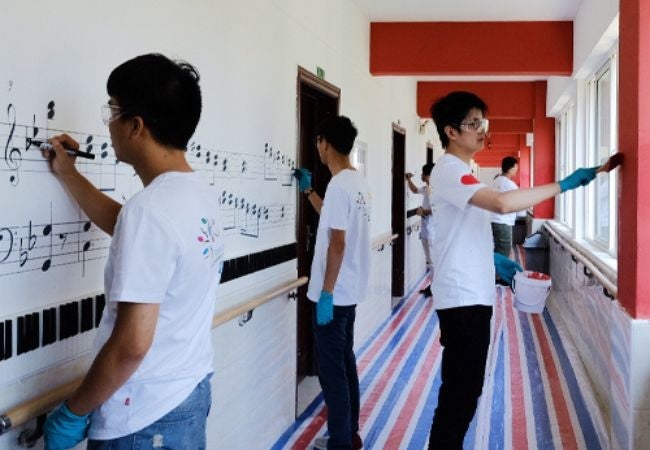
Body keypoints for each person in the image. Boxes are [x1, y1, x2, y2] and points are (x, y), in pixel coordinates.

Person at [42, 54, 224, 450]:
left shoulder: (152, 210)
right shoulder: (196, 195)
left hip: (142, 419)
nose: (108, 123)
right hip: (187, 397)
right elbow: (129, 227)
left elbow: (131, 345)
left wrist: (74, 410)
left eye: (113, 110)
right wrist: (70, 174)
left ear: (136, 126)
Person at [427, 91, 597, 449]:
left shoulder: (462, 172)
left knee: (465, 388)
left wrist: (491, 259)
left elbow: (462, 231)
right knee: (460, 391)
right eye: (473, 124)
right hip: (461, 298)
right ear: (451, 131)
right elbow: (503, 203)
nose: (482, 131)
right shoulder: (448, 169)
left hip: (471, 292)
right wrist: (563, 185)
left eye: (483, 123)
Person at [293, 115, 370, 450]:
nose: (318, 149)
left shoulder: (340, 186)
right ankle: (349, 430)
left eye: (318, 143)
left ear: (325, 142)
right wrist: (308, 191)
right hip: (349, 292)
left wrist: (325, 294)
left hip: (334, 296)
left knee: (332, 372)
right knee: (345, 361)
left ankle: (340, 442)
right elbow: (332, 218)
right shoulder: (356, 182)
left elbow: (337, 243)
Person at [405, 162, 435, 297]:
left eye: (423, 173)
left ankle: (435, 288)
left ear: (428, 175)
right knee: (430, 260)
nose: (421, 175)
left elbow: (437, 210)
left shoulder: (436, 190)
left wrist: (423, 211)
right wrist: (408, 179)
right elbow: (414, 190)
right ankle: (433, 286)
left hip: (433, 231)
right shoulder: (427, 188)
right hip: (426, 229)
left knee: (433, 261)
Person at [491, 156, 520, 257]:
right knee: (504, 254)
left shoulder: (496, 181)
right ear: (510, 169)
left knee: (499, 251)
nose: (517, 171)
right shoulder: (509, 184)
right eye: (516, 168)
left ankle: (495, 272)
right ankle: (500, 273)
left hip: (494, 220)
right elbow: (521, 200)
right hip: (503, 222)